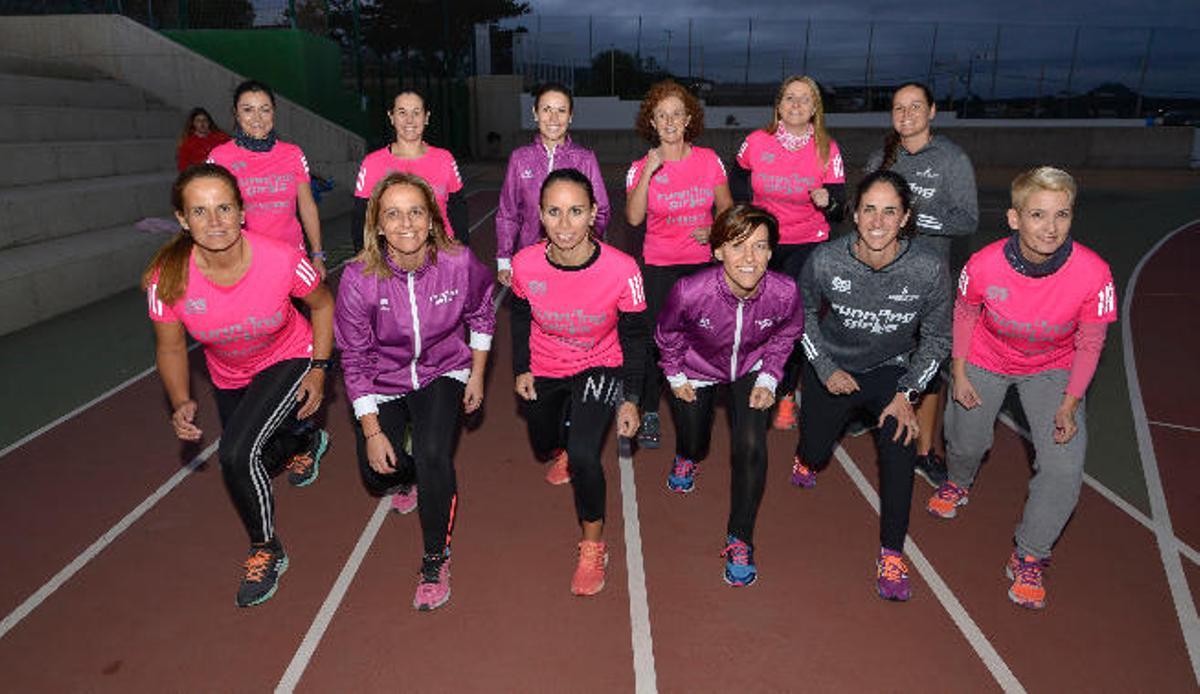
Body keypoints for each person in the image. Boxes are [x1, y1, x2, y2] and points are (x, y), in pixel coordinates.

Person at [144, 163, 335, 607]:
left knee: (234, 453)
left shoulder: (281, 258)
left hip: (290, 355)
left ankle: (265, 549)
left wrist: (320, 369)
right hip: (230, 374)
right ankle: (305, 439)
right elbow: (171, 349)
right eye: (200, 211)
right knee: (261, 462)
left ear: (242, 211)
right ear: (181, 219)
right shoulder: (166, 280)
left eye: (224, 207)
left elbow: (323, 306)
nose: (215, 222)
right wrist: (179, 401)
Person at [927, 167, 1115, 611]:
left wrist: (1070, 403)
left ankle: (1031, 553)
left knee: (1065, 465)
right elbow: (966, 314)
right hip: (986, 358)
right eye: (1038, 215)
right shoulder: (983, 264)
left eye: (1062, 215)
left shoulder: (1094, 273)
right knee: (966, 438)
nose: (1050, 228)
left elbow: (1091, 341)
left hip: (1053, 369)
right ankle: (959, 479)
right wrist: (960, 371)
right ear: (1014, 218)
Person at [335, 172, 494, 611]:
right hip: (383, 378)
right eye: (393, 214)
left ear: (432, 219)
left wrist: (477, 374)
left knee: (433, 456)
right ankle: (408, 473)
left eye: (416, 212)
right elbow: (354, 358)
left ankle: (434, 559)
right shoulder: (357, 278)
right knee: (378, 473)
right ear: (378, 225)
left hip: (444, 369)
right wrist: (371, 432)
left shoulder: (458, 262)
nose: (406, 224)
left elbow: (482, 314)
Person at [794, 169, 951, 602]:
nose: (878, 222)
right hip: (834, 366)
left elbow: (938, 338)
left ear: (904, 218)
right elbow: (801, 314)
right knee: (815, 450)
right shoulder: (826, 259)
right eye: (869, 210)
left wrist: (908, 394)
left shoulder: (928, 268)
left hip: (891, 372)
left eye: (889, 212)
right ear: (854, 213)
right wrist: (824, 368)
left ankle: (892, 553)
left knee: (900, 450)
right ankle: (806, 458)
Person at [510, 168, 647, 596]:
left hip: (600, 364)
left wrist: (630, 398)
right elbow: (517, 316)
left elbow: (638, 335)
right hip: (546, 365)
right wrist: (521, 367)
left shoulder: (622, 269)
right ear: (540, 215)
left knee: (587, 455)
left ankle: (592, 546)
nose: (564, 224)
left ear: (593, 215)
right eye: (554, 212)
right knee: (542, 439)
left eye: (575, 211)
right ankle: (563, 448)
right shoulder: (524, 264)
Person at [655, 204, 804, 586]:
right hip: (697, 366)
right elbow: (668, 334)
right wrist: (674, 375)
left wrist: (770, 377)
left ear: (772, 251)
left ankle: (740, 538)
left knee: (751, 445)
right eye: (737, 246)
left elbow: (787, 333)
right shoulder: (690, 291)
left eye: (760, 246)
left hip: (751, 366)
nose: (749, 258)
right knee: (695, 439)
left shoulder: (785, 292)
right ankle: (687, 455)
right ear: (718, 250)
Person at [864, 81, 978, 487]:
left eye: (915, 107)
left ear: (932, 112)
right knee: (881, 353)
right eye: (898, 108)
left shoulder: (952, 159)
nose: (906, 115)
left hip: (930, 280)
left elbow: (968, 219)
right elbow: (862, 214)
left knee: (927, 366)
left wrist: (917, 221)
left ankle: (925, 450)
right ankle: (881, 416)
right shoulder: (883, 157)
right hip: (882, 275)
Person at [625, 79, 733, 449]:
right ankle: (651, 410)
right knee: (659, 342)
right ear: (651, 122)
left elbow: (728, 210)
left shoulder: (708, 161)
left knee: (700, 341)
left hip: (700, 266)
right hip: (659, 267)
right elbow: (634, 218)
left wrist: (715, 231)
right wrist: (648, 172)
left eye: (676, 114)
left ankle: (695, 405)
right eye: (661, 116)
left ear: (689, 119)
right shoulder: (641, 166)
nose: (669, 121)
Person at [735, 75, 845, 431]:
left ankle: (785, 394)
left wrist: (829, 204)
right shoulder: (755, 142)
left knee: (793, 319)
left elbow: (840, 208)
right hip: (763, 242)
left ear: (815, 107)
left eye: (804, 99)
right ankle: (754, 377)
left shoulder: (827, 148)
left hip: (808, 241)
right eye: (789, 98)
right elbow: (736, 184)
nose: (796, 105)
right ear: (779, 105)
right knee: (756, 316)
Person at [208, 80, 327, 278]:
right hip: (245, 262)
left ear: (273, 113)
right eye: (248, 110)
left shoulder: (292, 153)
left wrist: (317, 255)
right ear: (236, 114)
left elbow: (307, 206)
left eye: (265, 110)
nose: (257, 118)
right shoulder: (220, 157)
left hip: (292, 258)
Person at [495, 83, 610, 286]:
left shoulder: (585, 159)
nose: (554, 119)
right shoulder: (520, 158)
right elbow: (508, 213)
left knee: (571, 314)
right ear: (535, 113)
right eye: (546, 109)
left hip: (574, 262)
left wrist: (580, 245)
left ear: (571, 116)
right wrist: (504, 260)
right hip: (530, 261)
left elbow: (600, 211)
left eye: (561, 110)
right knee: (528, 316)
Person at [351, 90, 468, 253]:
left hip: (440, 254)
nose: (409, 120)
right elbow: (361, 216)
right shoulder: (372, 163)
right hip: (391, 259)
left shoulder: (445, 159)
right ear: (391, 117)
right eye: (402, 112)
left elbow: (458, 210)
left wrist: (462, 251)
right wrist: (363, 255)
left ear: (426, 117)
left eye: (416, 112)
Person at [177, 107, 230, 171]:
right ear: (193, 123)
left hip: (221, 173)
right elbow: (183, 167)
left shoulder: (222, 138)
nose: (202, 123)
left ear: (209, 122)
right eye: (198, 121)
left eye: (205, 120)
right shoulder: (187, 144)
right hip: (199, 175)